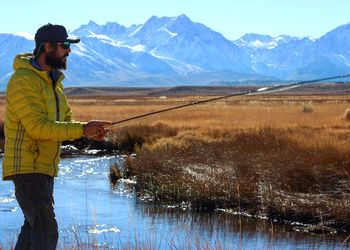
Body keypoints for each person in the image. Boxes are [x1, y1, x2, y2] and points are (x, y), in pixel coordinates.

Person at [2, 23, 111, 249]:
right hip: (27, 168)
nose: (68, 51)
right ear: (47, 47)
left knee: (33, 232)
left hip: (44, 169)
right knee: (45, 235)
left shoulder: (54, 82)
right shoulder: (23, 80)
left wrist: (86, 135)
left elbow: (65, 124)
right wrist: (82, 129)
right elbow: (38, 128)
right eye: (65, 46)